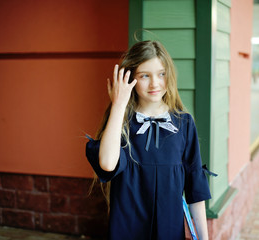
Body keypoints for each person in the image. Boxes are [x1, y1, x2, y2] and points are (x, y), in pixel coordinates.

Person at [86, 40, 213, 240]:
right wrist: (119, 105)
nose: (155, 83)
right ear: (130, 79)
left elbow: (195, 188)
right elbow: (107, 164)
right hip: (127, 230)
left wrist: (204, 238)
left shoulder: (184, 123)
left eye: (161, 74)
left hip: (169, 231)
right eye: (144, 75)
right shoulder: (123, 123)